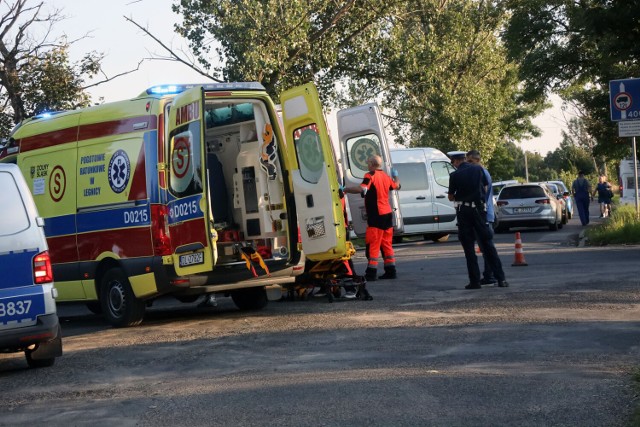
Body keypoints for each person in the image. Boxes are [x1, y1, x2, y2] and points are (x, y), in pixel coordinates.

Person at [447, 151, 508, 289]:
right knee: (488, 246)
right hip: (480, 211)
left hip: (464, 212)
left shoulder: (454, 175)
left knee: (469, 249)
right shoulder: (479, 169)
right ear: (464, 159)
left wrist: (460, 196)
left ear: (456, 161)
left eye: (452, 162)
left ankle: (474, 281)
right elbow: (485, 188)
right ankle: (501, 279)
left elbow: (451, 196)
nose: (453, 165)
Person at [345, 155, 400, 281]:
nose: (367, 164)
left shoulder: (370, 176)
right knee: (387, 244)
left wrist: (346, 189)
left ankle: (371, 273)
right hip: (387, 214)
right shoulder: (386, 177)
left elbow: (362, 188)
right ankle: (391, 271)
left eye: (368, 162)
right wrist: (395, 175)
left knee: (373, 243)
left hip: (376, 215)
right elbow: (397, 185)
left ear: (371, 163)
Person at [466, 149, 497, 286]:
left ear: (477, 160)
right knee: (486, 247)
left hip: (483, 214)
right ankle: (489, 275)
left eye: (470, 161)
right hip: (485, 213)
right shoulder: (482, 172)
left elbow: (481, 194)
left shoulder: (481, 173)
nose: (468, 164)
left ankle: (490, 276)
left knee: (486, 247)